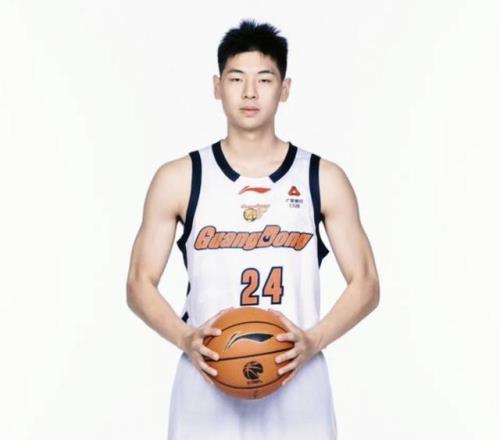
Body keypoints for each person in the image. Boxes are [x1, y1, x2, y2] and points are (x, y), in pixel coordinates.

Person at [126, 18, 380, 440]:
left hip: (297, 379)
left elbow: (366, 283)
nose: (249, 92)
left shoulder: (322, 178)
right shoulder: (180, 178)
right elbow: (139, 282)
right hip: (206, 378)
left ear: (284, 89)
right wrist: (186, 338)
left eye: (264, 79)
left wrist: (314, 340)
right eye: (236, 78)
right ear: (217, 86)